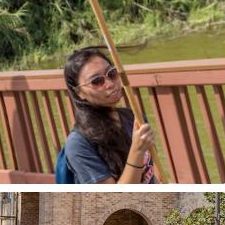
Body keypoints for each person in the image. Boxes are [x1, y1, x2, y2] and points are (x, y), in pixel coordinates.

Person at [63, 48, 156, 183]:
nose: (110, 84)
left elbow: (150, 173)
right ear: (79, 93)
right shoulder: (78, 145)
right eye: (97, 81)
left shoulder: (132, 117)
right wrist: (137, 150)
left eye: (112, 73)